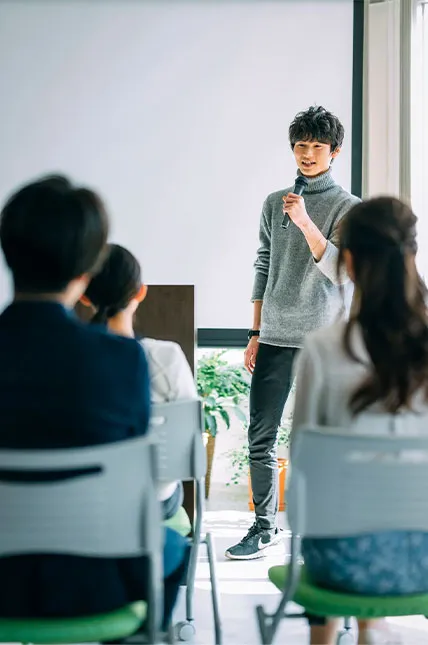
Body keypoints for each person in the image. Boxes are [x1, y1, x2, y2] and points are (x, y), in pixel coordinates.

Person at [0, 175, 187, 629]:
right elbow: (135, 483)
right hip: (97, 581)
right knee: (176, 548)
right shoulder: (122, 360)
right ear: (86, 270)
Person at [291, 196, 428, 645]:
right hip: (423, 560)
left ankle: (327, 636)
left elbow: (303, 478)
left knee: (330, 520)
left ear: (347, 260)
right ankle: (374, 629)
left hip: (342, 561)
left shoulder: (324, 349)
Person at [226, 105, 360, 560]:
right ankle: (264, 527)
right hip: (276, 335)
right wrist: (254, 330)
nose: (306, 154)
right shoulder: (274, 201)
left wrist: (305, 221)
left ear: (334, 152)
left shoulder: (348, 208)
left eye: (316, 147)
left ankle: (324, 529)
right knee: (260, 437)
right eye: (300, 146)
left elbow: (341, 271)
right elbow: (264, 264)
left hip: (325, 341)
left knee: (323, 436)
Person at [81, 242, 198, 519]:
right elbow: (189, 445)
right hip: (151, 501)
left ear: (84, 295)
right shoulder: (165, 357)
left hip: (81, 496)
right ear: (141, 291)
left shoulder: (64, 356)